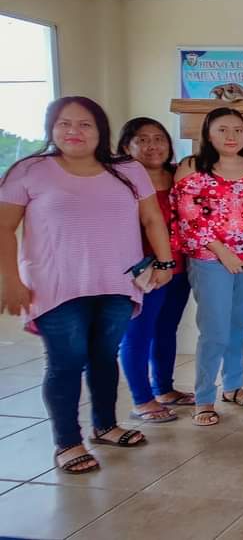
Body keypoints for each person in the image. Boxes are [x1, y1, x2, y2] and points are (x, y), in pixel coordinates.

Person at [0, 97, 175, 474]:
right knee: (65, 362)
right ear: (51, 128)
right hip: (55, 286)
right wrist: (9, 279)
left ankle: (106, 425)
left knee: (103, 356)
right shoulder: (30, 170)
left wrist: (164, 262)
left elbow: (151, 218)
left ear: (100, 129)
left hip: (116, 282)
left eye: (84, 124)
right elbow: (3, 227)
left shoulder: (126, 169)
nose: (74, 131)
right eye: (64, 124)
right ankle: (68, 441)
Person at [173, 107, 243, 426]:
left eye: (238, 130)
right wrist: (222, 251)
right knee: (214, 331)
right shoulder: (191, 167)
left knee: (239, 326)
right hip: (210, 260)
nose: (231, 136)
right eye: (222, 129)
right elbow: (187, 217)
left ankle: (233, 386)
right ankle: (204, 398)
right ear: (208, 133)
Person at [117, 117, 192, 423]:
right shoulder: (120, 181)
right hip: (143, 272)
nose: (152, 146)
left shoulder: (179, 175)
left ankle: (164, 389)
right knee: (138, 333)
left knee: (166, 329)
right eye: (143, 140)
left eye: (159, 138)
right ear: (127, 146)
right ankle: (142, 400)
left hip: (179, 267)